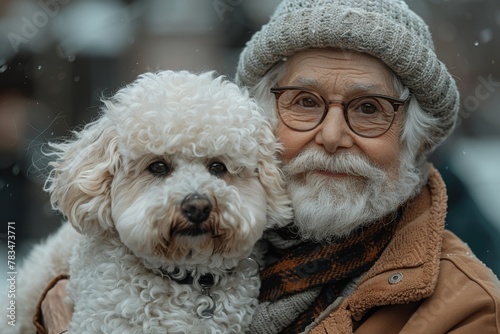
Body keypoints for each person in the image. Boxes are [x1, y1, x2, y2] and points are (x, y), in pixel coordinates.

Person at [35, 0, 500, 333]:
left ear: (413, 140)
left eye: (370, 109)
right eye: (304, 102)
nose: (333, 136)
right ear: (263, 123)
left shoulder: (466, 308)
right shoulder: (110, 254)